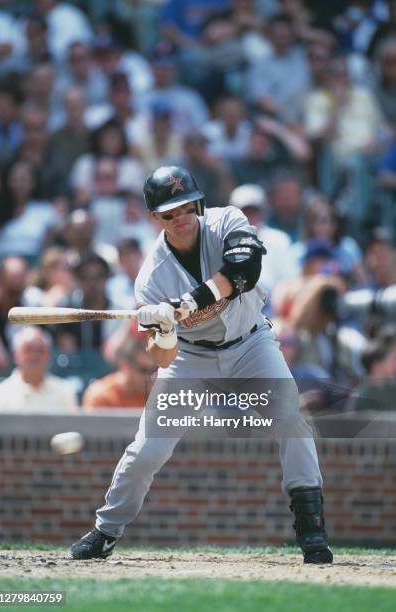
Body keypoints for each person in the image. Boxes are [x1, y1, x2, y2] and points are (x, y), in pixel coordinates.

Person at [70, 165, 333, 565]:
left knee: (292, 421)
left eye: (185, 207)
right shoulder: (151, 280)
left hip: (251, 342)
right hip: (191, 358)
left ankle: (311, 530)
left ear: (197, 203)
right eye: (168, 213)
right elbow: (162, 358)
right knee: (147, 450)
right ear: (154, 218)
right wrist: (163, 329)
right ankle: (107, 530)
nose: (180, 219)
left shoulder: (228, 220)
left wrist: (190, 302)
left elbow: (244, 268)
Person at [0, 326, 77, 412]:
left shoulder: (66, 392)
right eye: (28, 349)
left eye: (40, 350)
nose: (34, 355)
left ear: (49, 355)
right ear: (16, 354)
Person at [82, 333, 156, 410]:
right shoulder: (101, 395)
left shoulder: (159, 395)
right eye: (144, 370)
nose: (151, 376)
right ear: (126, 366)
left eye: (154, 369)